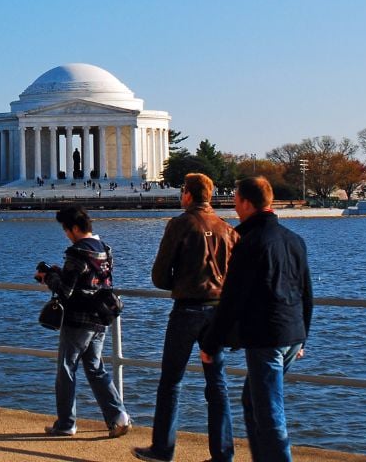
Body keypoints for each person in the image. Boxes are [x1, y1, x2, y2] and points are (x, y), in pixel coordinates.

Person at [202, 176, 313, 462]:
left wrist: (212, 343)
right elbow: (305, 292)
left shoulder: (249, 242)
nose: (235, 206)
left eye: (236, 201)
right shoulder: (294, 239)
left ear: (247, 203)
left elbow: (232, 298)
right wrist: (304, 337)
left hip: (267, 335)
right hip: (293, 334)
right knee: (253, 401)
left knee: (269, 411)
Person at [134, 173, 240, 462]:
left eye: (183, 191)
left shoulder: (179, 225)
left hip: (187, 310)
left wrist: (179, 284)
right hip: (218, 313)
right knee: (217, 383)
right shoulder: (228, 229)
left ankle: (163, 449)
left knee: (171, 381)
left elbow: (159, 275)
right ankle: (223, 454)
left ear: (189, 195)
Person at [35, 204, 132, 438]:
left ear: (76, 228)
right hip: (100, 318)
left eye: (67, 230)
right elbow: (93, 280)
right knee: (95, 368)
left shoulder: (77, 252)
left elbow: (66, 291)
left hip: (78, 319)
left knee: (66, 369)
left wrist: (48, 277)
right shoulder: (105, 249)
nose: (66, 235)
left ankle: (67, 424)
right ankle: (118, 417)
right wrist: (61, 272)